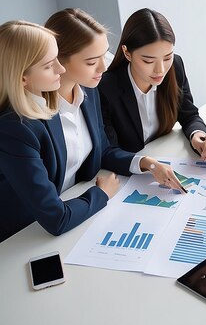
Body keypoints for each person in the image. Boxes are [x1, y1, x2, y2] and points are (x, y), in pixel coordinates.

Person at [0, 17, 175, 242]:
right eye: (92, 61)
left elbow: (101, 149)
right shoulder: (16, 128)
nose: (60, 69)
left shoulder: (87, 91)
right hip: (24, 234)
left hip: (75, 210)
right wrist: (101, 194)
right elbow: (56, 218)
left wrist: (146, 163)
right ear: (23, 78)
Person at [98, 8, 206, 161]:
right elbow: (109, 151)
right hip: (131, 172)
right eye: (148, 61)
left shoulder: (175, 66)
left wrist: (198, 135)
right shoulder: (106, 88)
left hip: (167, 157)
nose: (160, 70)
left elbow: (189, 115)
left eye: (167, 57)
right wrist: (145, 164)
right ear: (127, 53)